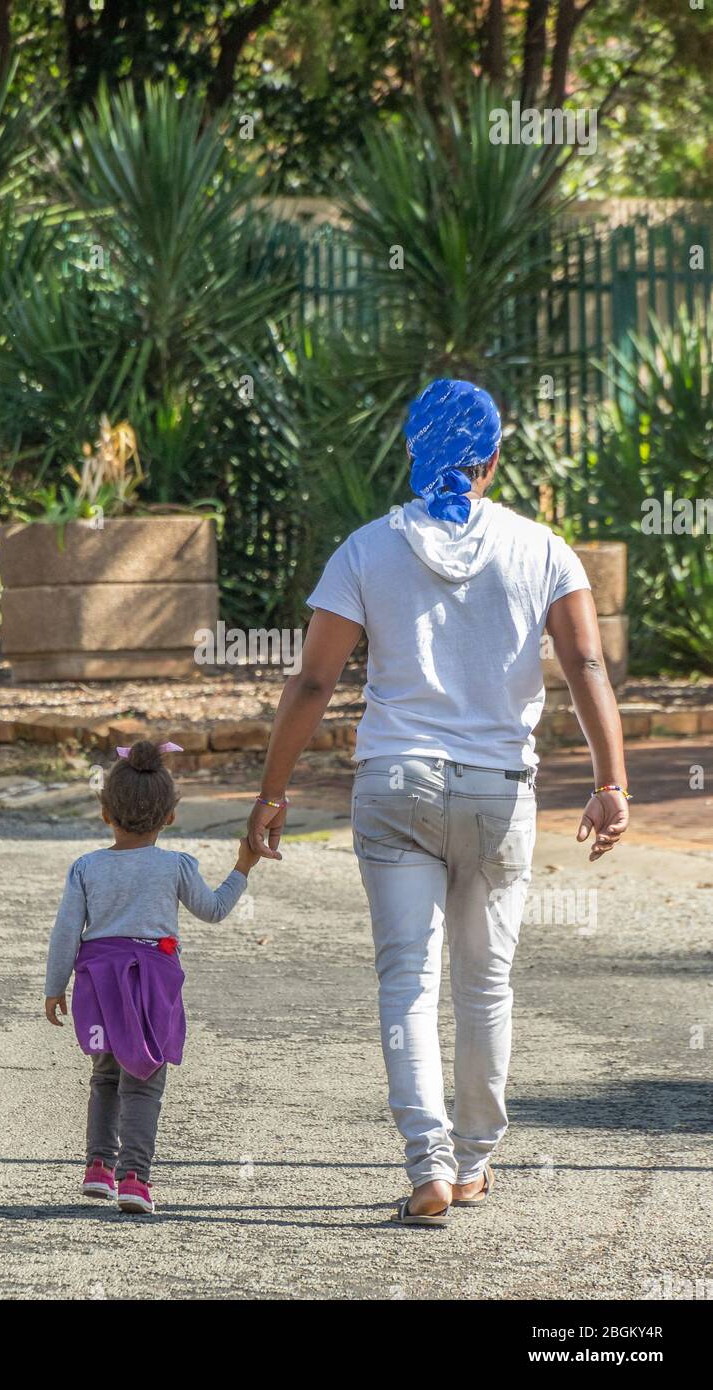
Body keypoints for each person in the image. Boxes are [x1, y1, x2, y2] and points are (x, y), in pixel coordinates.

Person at [247, 378, 630, 1227]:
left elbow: (314, 680)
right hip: (499, 794)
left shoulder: (364, 551)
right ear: (493, 459)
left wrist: (271, 794)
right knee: (485, 983)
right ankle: (476, 1160)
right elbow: (587, 668)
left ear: (415, 451)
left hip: (393, 786)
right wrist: (611, 784)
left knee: (408, 983)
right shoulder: (542, 550)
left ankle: (428, 1167)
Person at [45, 738, 260, 1214]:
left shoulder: (86, 867)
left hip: (98, 981)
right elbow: (215, 909)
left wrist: (54, 987)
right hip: (153, 981)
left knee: (105, 1075)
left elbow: (65, 932)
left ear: (106, 814)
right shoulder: (176, 866)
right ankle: (135, 1179)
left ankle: (98, 1168)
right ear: (170, 817)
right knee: (145, 1078)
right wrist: (242, 868)